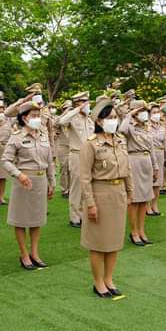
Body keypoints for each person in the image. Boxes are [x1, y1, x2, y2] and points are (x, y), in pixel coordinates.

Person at [79, 98, 133, 298]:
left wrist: (130, 193)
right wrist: (90, 204)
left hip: (118, 194)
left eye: (115, 117)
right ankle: (98, 282)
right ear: (99, 121)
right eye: (109, 117)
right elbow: (84, 177)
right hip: (100, 194)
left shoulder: (120, 140)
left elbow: (128, 169)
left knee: (114, 242)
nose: (114, 120)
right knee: (98, 243)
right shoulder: (91, 144)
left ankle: (109, 279)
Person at [1, 101, 55, 270]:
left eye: (39, 115)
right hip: (24, 182)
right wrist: (19, 174)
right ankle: (24, 254)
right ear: (24, 118)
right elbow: (6, 160)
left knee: (37, 219)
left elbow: (50, 161)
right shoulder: (17, 137)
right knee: (21, 219)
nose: (37, 119)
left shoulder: (43, 135)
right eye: (34, 116)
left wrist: (52, 181)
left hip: (41, 180)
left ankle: (34, 253)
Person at [120, 100, 158, 245]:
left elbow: (151, 148)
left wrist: (155, 167)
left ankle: (142, 230)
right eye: (141, 110)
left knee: (145, 199)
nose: (144, 113)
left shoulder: (146, 127)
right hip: (134, 162)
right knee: (134, 200)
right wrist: (129, 114)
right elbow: (121, 130)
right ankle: (134, 231)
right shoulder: (130, 126)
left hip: (146, 162)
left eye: (145, 110)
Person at [57, 91, 94, 228]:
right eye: (83, 102)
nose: (86, 105)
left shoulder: (89, 119)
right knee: (77, 187)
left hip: (89, 155)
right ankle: (75, 217)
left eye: (87, 102)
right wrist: (77, 110)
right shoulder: (73, 117)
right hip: (77, 154)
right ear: (77, 104)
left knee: (87, 186)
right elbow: (61, 121)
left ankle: (83, 214)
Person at [147, 103, 166, 216]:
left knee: (158, 183)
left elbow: (165, 143)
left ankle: (155, 204)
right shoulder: (146, 126)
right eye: (154, 112)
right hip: (150, 155)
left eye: (158, 112)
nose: (157, 114)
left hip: (160, 154)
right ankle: (147, 206)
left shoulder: (162, 127)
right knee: (150, 181)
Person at [54, 100, 72, 198]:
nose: (68, 110)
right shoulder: (60, 119)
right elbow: (55, 124)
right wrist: (65, 113)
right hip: (63, 146)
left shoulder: (73, 119)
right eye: (65, 108)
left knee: (72, 169)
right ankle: (64, 189)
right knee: (64, 168)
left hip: (73, 146)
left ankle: (71, 188)